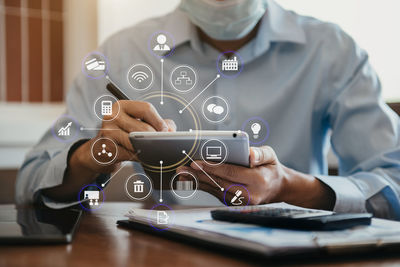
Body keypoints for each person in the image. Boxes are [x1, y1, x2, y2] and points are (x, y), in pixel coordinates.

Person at [16, 0, 400, 219]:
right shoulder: (121, 52)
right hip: (162, 253)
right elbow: (30, 181)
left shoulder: (334, 51)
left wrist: (291, 187)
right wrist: (92, 156)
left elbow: (393, 183)